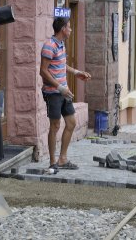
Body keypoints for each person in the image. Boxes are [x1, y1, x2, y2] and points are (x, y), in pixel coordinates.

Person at [40, 17, 91, 170]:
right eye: (69, 27)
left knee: (71, 123)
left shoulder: (61, 44)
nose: (70, 30)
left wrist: (76, 72)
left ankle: (63, 159)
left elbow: (61, 64)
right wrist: (59, 88)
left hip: (64, 92)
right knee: (55, 126)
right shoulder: (49, 46)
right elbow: (43, 71)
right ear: (62, 29)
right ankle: (52, 162)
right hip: (53, 93)